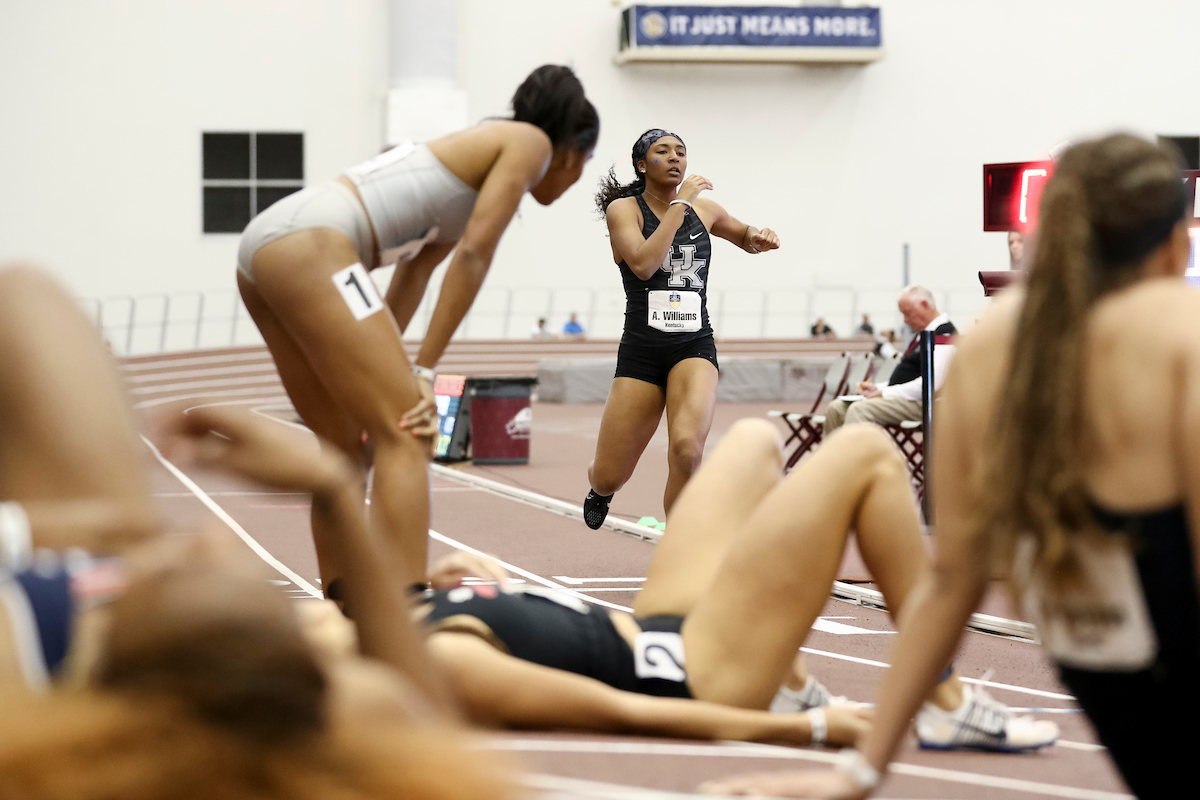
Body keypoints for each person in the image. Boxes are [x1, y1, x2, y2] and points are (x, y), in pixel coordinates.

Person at [701, 134, 1197, 799]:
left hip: (1109, 667)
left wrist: (861, 773)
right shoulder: (1181, 336)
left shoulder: (990, 345)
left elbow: (949, 583)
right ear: (1178, 246)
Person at [420, 418, 1053, 750]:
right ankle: (945, 710)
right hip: (700, 674)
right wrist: (812, 731)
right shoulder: (440, 661)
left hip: (656, 629)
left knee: (752, 442)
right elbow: (619, 713)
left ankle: (790, 686)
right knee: (865, 453)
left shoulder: (404, 612)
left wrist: (447, 582)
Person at [235, 65, 599, 592]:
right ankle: (408, 613)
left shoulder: (470, 160)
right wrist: (420, 374)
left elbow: (416, 273)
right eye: (584, 163)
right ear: (570, 151)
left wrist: (391, 366)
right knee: (408, 432)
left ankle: (349, 606)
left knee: (342, 444)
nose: (575, 178)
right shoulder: (530, 142)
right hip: (314, 242)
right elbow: (474, 255)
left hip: (267, 247)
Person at [582, 129, 780, 529]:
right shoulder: (625, 210)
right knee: (610, 472)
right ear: (642, 164)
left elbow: (741, 233)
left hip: (694, 345)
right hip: (642, 349)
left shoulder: (705, 210)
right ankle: (601, 491)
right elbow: (643, 264)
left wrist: (758, 237)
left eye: (681, 152)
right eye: (663, 152)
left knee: (688, 449)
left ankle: (681, 542)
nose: (675, 158)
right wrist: (681, 204)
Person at [823, 287, 956, 436]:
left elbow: (932, 384)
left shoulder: (945, 334)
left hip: (924, 403)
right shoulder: (923, 335)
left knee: (859, 410)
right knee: (837, 407)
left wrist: (884, 392)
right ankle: (834, 458)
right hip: (904, 398)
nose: (905, 320)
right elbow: (907, 379)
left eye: (907, 313)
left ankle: (864, 459)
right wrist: (878, 388)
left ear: (925, 305)